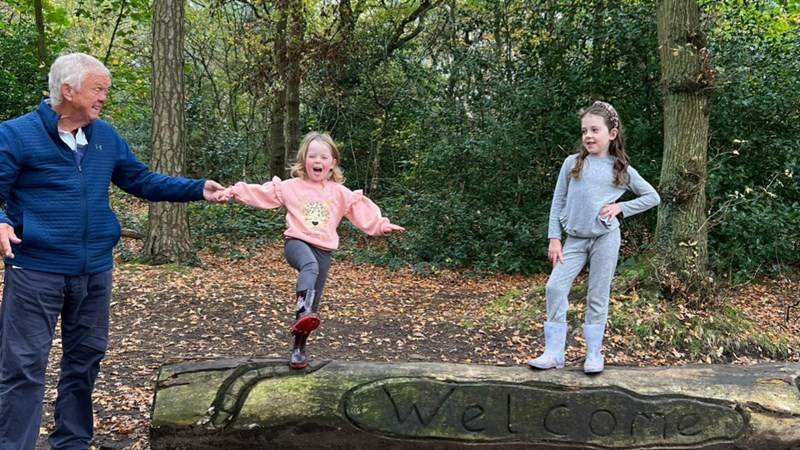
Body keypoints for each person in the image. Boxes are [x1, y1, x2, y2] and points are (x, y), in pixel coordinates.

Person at [0, 52, 228, 449]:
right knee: (23, 367)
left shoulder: (104, 136)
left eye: (105, 89)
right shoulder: (16, 134)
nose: (104, 97)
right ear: (68, 90)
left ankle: (72, 441)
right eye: (98, 89)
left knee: (85, 360)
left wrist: (198, 189)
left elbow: (141, 180)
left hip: (94, 271)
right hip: (36, 270)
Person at [226, 131, 404, 370]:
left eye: (323, 157)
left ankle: (298, 349)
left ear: (333, 163)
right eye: (312, 156)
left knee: (313, 307)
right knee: (309, 268)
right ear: (304, 160)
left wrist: (381, 225)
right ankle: (303, 309)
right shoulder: (291, 187)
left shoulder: (339, 193)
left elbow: (362, 212)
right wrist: (233, 192)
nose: (317, 161)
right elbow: (262, 193)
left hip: (323, 251)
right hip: (297, 243)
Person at [528, 101, 660, 374]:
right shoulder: (572, 163)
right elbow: (557, 202)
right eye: (584, 131)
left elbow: (652, 197)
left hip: (605, 238)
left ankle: (593, 354)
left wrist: (621, 208)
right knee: (554, 288)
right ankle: (554, 352)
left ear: (612, 134)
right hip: (574, 240)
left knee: (597, 295)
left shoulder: (621, 169)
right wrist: (554, 238)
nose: (588, 135)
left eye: (594, 130)